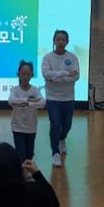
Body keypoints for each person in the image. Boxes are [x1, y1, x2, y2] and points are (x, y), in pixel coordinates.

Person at [42, 30, 79, 168]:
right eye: (58, 40)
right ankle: (55, 152)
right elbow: (46, 74)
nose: (60, 42)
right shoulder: (48, 58)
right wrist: (65, 74)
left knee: (67, 125)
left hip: (68, 97)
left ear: (67, 42)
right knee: (55, 124)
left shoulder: (72, 57)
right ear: (54, 41)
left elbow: (76, 76)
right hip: (52, 97)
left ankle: (62, 139)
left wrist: (56, 77)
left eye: (63, 40)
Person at [8, 61, 46, 170]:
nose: (25, 77)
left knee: (30, 153)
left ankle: (27, 169)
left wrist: (29, 103)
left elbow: (42, 103)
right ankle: (22, 172)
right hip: (17, 127)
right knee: (21, 152)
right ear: (18, 74)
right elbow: (11, 101)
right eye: (23, 74)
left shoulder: (35, 90)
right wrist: (27, 100)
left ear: (32, 75)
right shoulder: (14, 90)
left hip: (31, 127)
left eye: (28, 74)